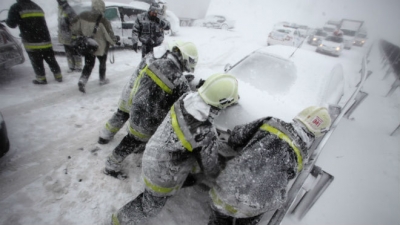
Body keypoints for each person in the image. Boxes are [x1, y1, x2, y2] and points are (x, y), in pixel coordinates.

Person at [111, 73, 240, 225]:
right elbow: (211, 167)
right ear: (222, 103)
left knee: (153, 195)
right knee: (150, 206)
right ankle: (118, 221)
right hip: (163, 174)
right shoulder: (203, 132)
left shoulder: (185, 98)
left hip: (153, 152)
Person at [207, 106, 332, 225]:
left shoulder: (271, 123)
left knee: (219, 219)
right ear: (318, 133)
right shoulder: (302, 157)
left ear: (300, 116)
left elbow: (237, 137)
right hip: (254, 206)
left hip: (227, 190)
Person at [103, 41, 198, 179]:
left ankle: (116, 158)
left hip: (137, 109)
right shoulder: (180, 81)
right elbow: (186, 101)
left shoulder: (156, 64)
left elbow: (146, 83)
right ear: (185, 59)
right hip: (149, 119)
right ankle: (111, 164)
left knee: (132, 138)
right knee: (132, 141)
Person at [98, 40, 189, 145]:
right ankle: (135, 142)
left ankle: (104, 135)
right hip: (141, 94)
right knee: (137, 121)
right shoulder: (162, 63)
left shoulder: (152, 56)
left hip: (131, 89)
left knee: (121, 114)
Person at [5, 0, 63, 85]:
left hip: (32, 41)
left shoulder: (16, 7)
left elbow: (12, 24)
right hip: (45, 39)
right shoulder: (36, 6)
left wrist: (7, 21)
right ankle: (58, 76)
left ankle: (41, 79)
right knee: (51, 59)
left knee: (37, 61)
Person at [71, 0, 117, 93]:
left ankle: (82, 80)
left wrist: (82, 34)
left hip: (88, 45)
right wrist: (113, 42)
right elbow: (109, 36)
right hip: (101, 47)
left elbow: (74, 29)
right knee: (102, 63)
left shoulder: (83, 15)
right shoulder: (104, 20)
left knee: (88, 65)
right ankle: (102, 79)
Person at [57, 0, 82, 73]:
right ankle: (71, 67)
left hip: (71, 36)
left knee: (75, 52)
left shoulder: (68, 10)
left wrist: (74, 35)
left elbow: (75, 23)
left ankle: (78, 67)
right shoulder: (60, 10)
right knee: (68, 53)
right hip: (65, 36)